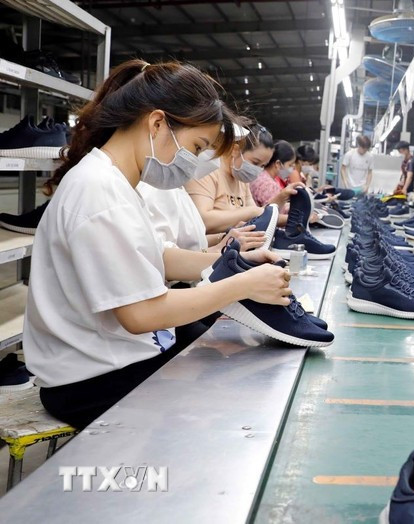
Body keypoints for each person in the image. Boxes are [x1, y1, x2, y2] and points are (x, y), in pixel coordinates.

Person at [24, 60, 293, 428]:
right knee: (237, 402)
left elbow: (160, 258)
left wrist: (231, 261)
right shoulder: (99, 191)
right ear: (156, 124)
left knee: (240, 370)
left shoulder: (116, 182)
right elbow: (142, 315)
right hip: (90, 380)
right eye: (196, 147)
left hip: (113, 357)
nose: (195, 162)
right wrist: (241, 285)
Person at [140, 124, 272, 254]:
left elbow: (192, 242)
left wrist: (225, 238)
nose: (215, 158)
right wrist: (217, 251)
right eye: (200, 146)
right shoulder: (156, 189)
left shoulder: (176, 188)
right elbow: (162, 256)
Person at [185, 123, 275, 234]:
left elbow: (257, 216)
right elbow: (201, 220)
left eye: (262, 166)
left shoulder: (240, 177)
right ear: (235, 150)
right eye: (255, 162)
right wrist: (250, 212)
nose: (257, 170)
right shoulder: (209, 170)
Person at [249, 140, 297, 207]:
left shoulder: (263, 176)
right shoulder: (268, 184)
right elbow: (273, 214)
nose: (291, 170)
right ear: (278, 164)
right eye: (290, 165)